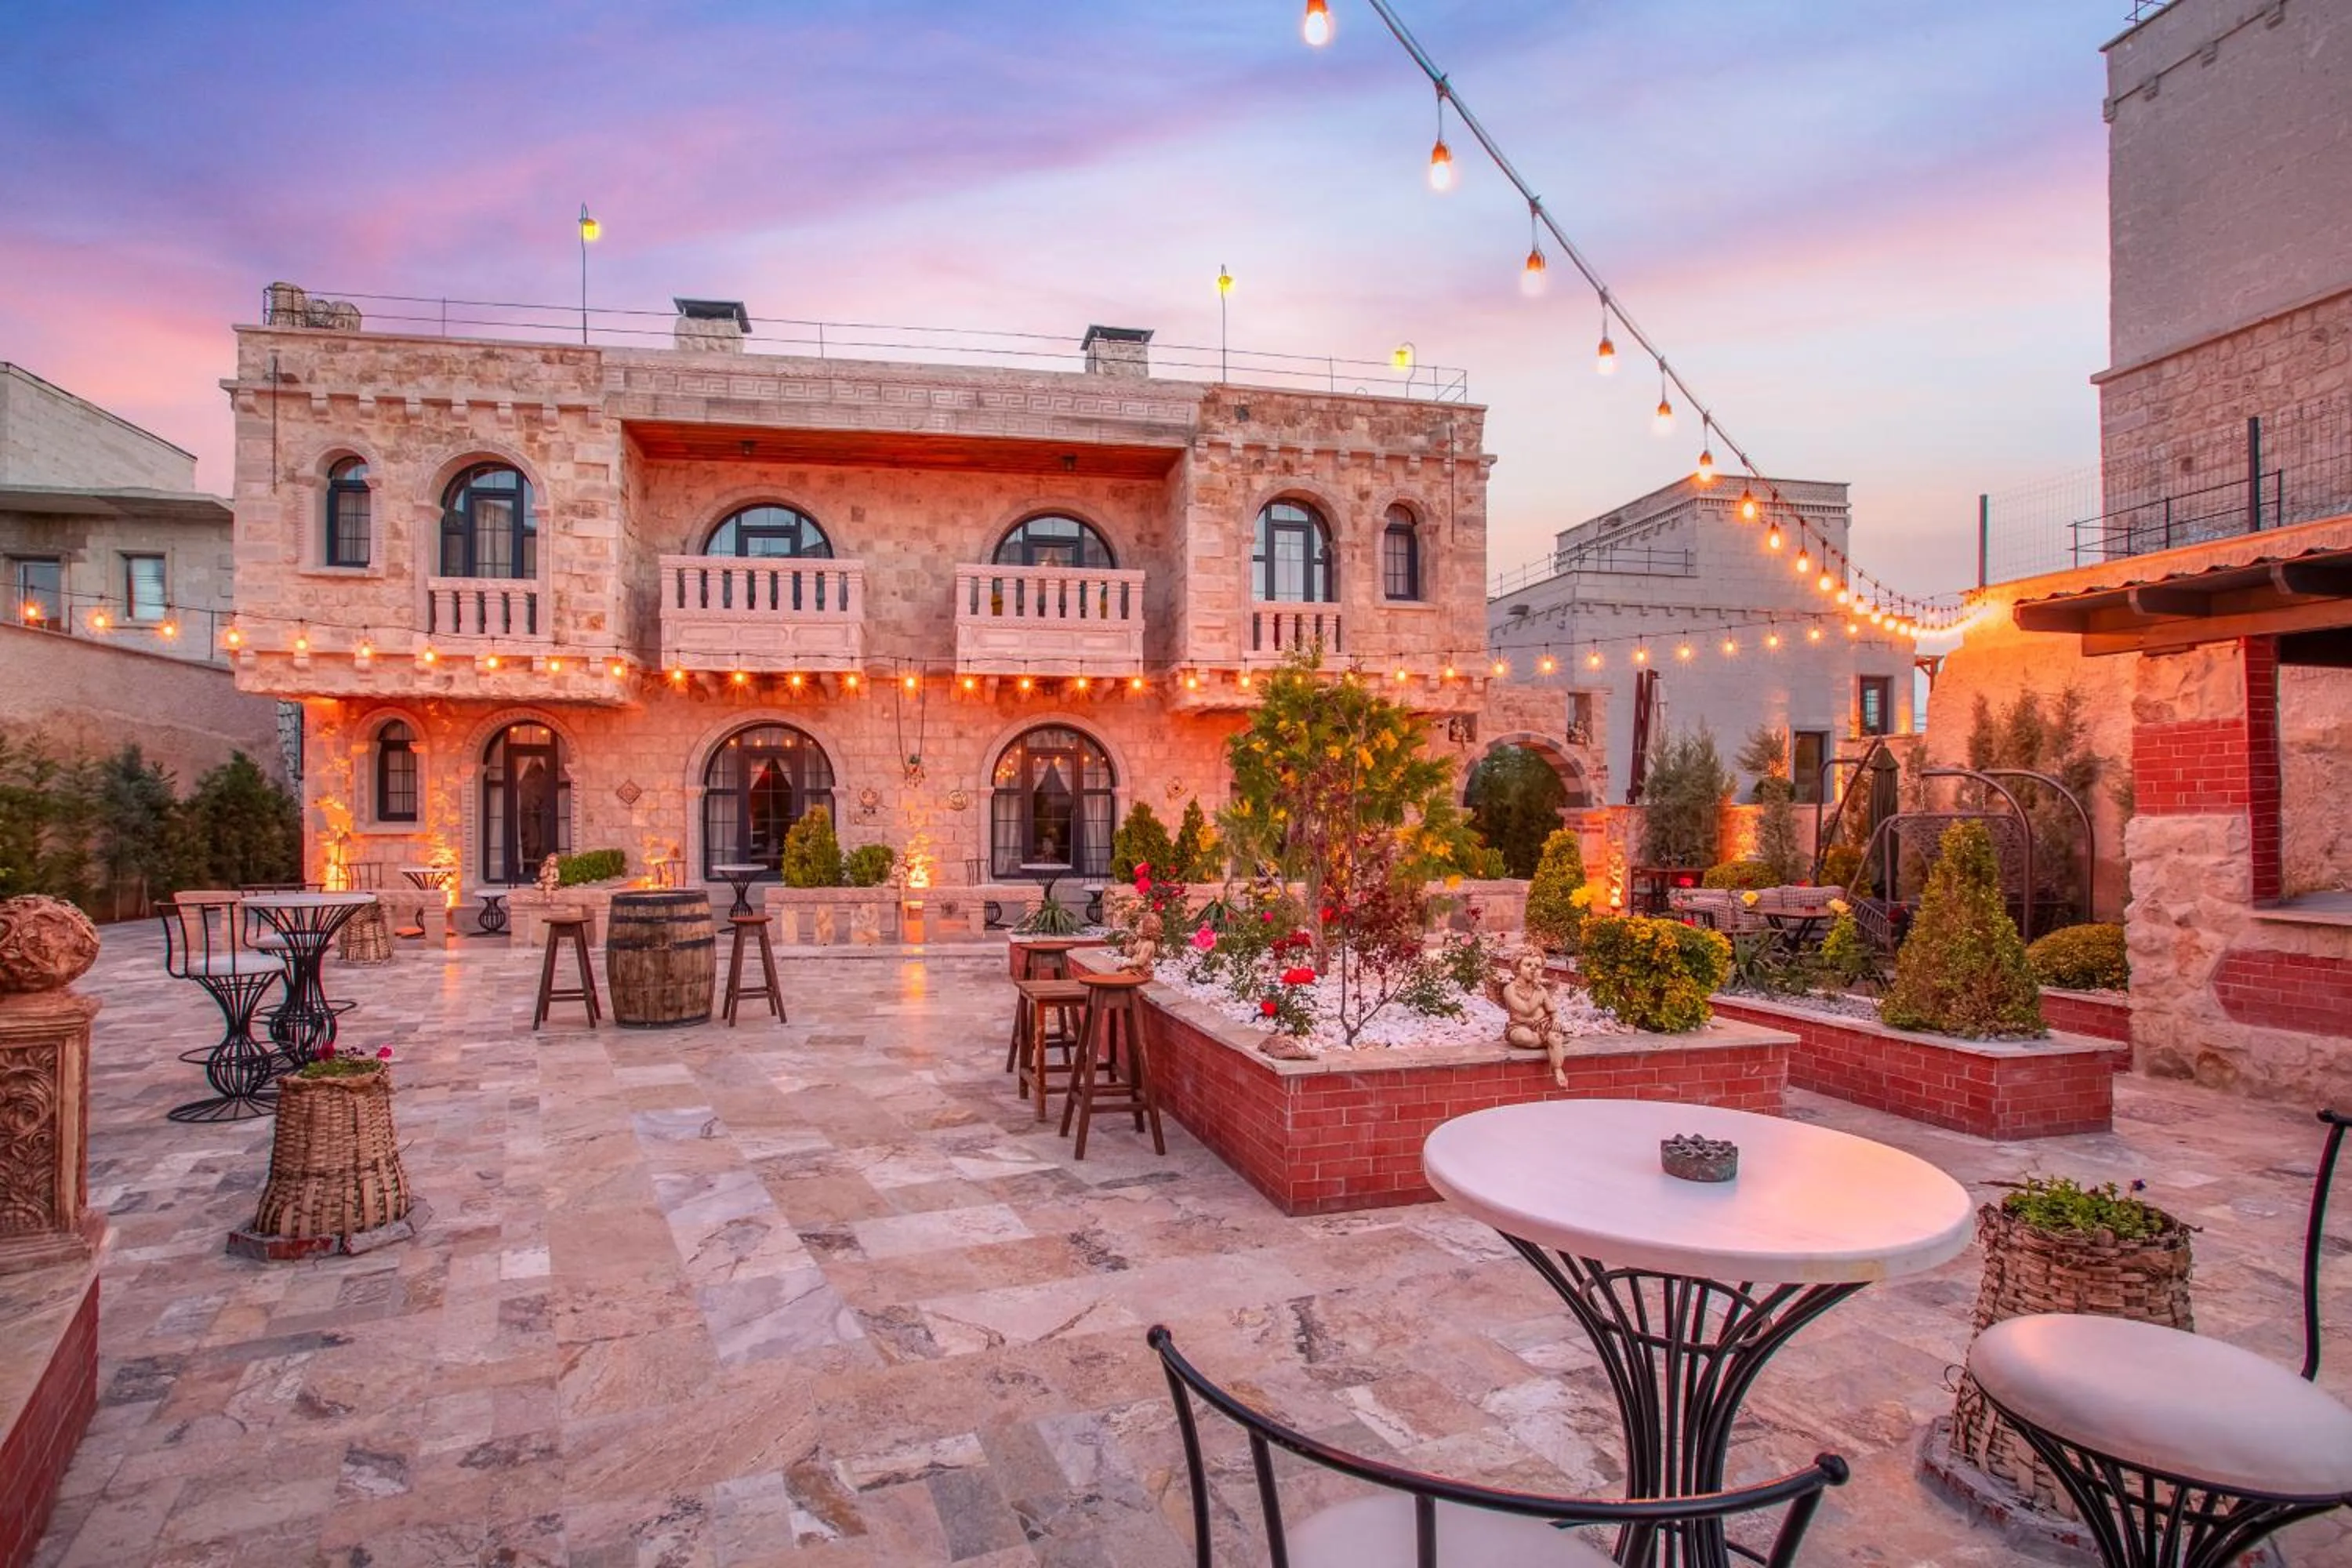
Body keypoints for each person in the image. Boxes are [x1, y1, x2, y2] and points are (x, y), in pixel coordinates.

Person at [1495, 947, 1573, 1088]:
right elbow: (1526, 1009)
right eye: (1528, 965)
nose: (1533, 969)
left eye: (1537, 966)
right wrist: (1539, 994)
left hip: (1543, 1024)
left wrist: (1555, 1020)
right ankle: (1551, 1041)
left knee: (1553, 1036)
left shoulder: (1540, 989)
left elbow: (1552, 1010)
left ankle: (1557, 1068)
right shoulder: (1510, 989)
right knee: (1523, 1037)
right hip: (1520, 1025)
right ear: (1517, 967)